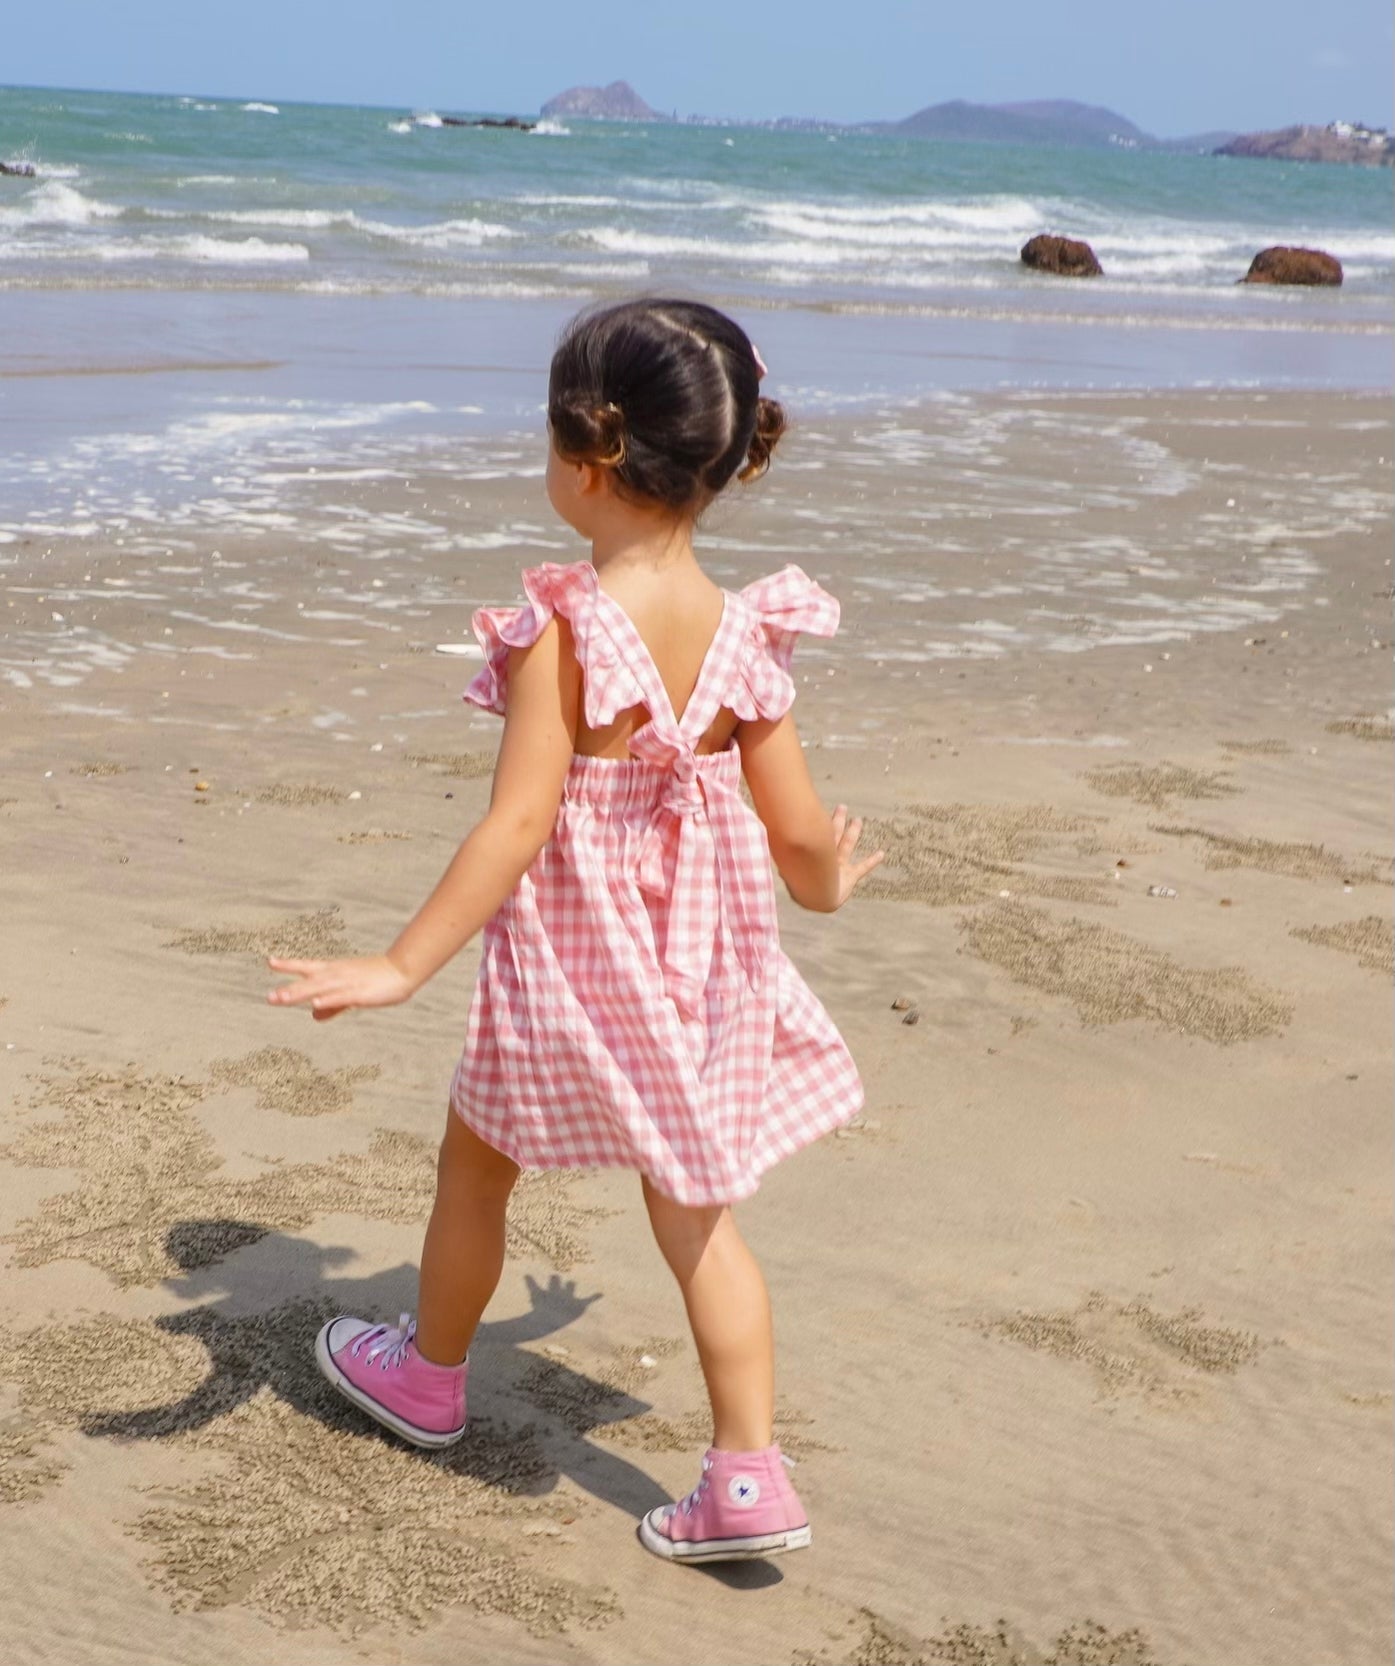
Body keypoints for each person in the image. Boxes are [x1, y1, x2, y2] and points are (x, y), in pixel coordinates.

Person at [267, 297, 883, 1564]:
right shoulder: (748, 633)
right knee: (699, 1214)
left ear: (588, 458)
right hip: (700, 967)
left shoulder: (562, 623)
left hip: (569, 964)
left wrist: (399, 964)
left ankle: (430, 1374)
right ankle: (748, 1478)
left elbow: (515, 827)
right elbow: (803, 832)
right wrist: (827, 884)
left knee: (478, 1163)